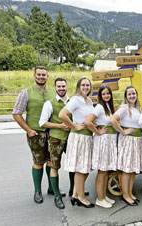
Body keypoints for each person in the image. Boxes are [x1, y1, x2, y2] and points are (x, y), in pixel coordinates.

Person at [12, 66, 60, 204]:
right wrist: (28, 130)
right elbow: (16, 113)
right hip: (35, 132)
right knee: (38, 162)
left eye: (43, 75)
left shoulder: (53, 91)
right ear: (34, 75)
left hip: (52, 132)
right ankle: (37, 191)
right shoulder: (26, 92)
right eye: (38, 75)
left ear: (48, 76)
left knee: (52, 161)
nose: (41, 77)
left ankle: (52, 188)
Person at [59, 77, 95, 208]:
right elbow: (62, 114)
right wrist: (74, 126)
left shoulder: (89, 101)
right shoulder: (76, 100)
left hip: (88, 137)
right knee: (80, 170)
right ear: (79, 87)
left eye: (88, 85)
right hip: (79, 138)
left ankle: (75, 194)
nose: (86, 87)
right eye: (83, 85)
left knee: (85, 169)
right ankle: (81, 198)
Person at [38, 78, 70, 209]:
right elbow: (42, 122)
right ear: (55, 88)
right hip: (55, 138)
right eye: (59, 86)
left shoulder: (72, 101)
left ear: (67, 87)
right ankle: (57, 195)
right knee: (54, 167)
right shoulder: (49, 103)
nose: (61, 88)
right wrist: (61, 126)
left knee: (74, 164)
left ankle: (74, 191)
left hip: (71, 138)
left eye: (63, 86)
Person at [110, 86, 142, 206]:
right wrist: (123, 131)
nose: (132, 96)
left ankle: (130, 193)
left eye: (133, 93)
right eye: (129, 94)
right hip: (129, 141)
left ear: (136, 94)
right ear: (126, 96)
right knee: (126, 169)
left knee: (132, 170)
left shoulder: (138, 108)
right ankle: (125, 195)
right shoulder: (124, 107)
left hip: (137, 141)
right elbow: (113, 120)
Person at [85, 85, 117, 208]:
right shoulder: (99, 107)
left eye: (108, 93)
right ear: (100, 96)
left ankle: (103, 195)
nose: (106, 96)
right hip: (103, 141)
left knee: (106, 171)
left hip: (109, 141)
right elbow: (88, 122)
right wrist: (98, 132)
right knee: (102, 171)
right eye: (103, 94)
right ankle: (99, 198)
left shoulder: (109, 107)